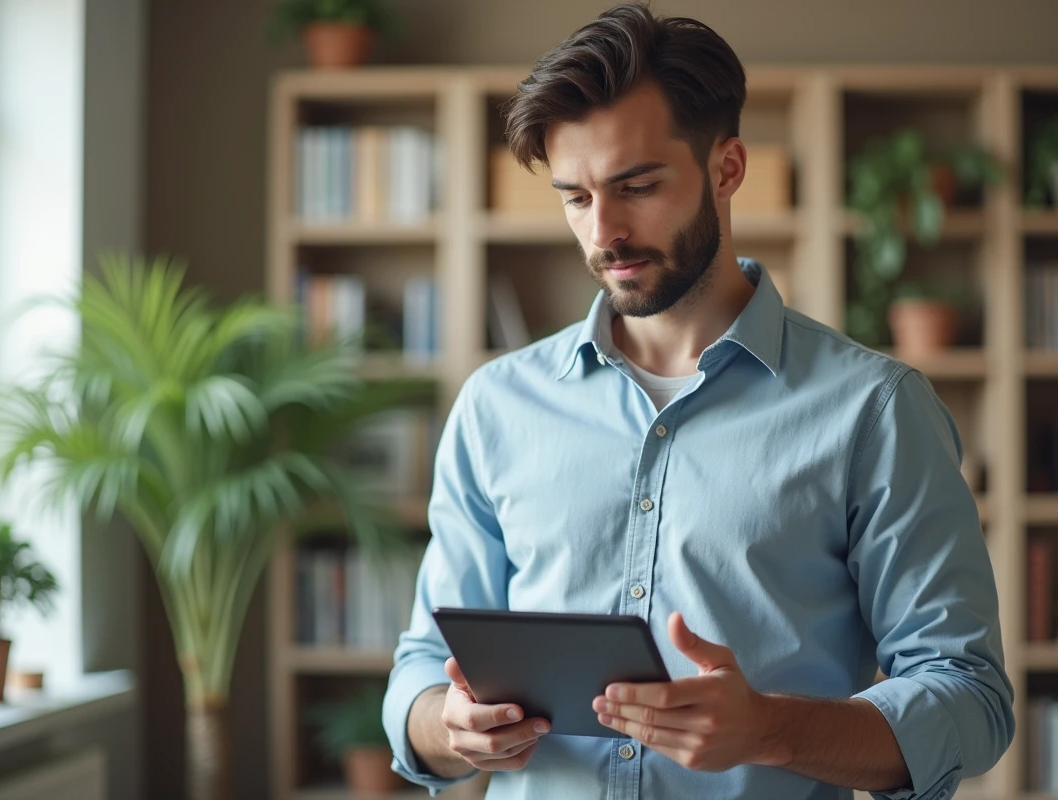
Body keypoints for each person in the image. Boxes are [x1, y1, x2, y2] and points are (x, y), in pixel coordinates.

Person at [382, 3, 1014, 798]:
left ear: (727, 168)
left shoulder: (875, 412)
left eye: (637, 186)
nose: (603, 232)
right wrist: (450, 727)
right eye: (576, 197)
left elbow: (969, 697)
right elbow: (421, 672)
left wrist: (773, 730)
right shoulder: (495, 406)